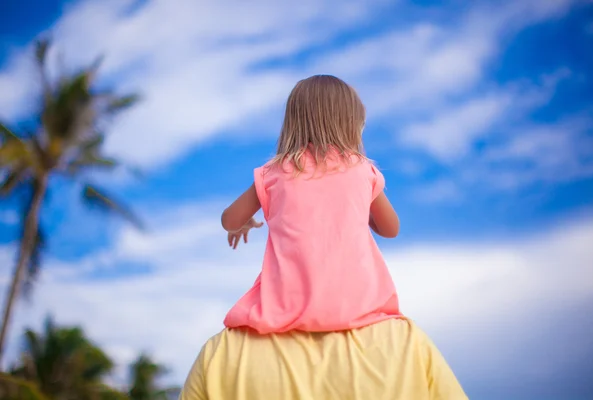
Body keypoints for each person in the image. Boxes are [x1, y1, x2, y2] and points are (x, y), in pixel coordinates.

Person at [179, 75, 468, 399]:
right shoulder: (362, 170)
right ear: (351, 124)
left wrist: (244, 223)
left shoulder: (274, 173)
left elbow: (228, 220)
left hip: (282, 310)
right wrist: (360, 206)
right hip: (360, 309)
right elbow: (391, 229)